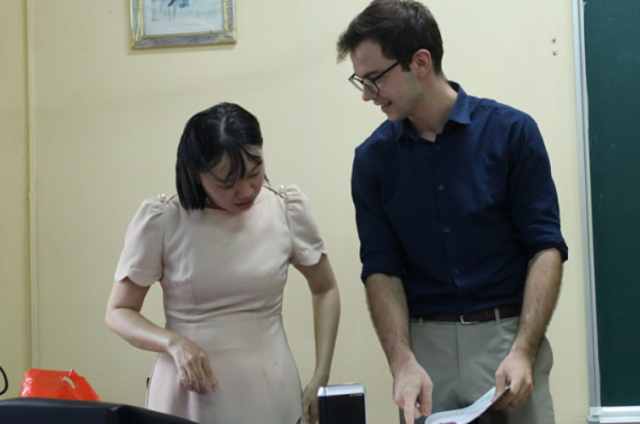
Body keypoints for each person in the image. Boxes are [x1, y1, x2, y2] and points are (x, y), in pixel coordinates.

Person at [336, 1, 568, 423]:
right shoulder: (372, 160)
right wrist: (401, 362)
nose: (368, 95)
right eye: (360, 81)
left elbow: (545, 247)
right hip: (425, 354)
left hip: (506, 342)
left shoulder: (512, 133)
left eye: (374, 79)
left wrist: (523, 350)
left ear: (420, 62)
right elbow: (380, 268)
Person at [106, 102, 341, 424]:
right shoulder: (162, 220)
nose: (245, 191)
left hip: (269, 386)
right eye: (226, 184)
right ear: (196, 174)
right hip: (187, 393)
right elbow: (119, 311)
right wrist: (172, 342)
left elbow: (325, 288)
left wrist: (320, 375)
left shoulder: (286, 209)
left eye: (254, 173)